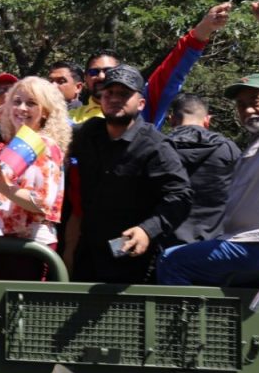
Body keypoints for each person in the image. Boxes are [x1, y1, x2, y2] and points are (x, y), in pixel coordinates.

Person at [157, 0, 259, 287]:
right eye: (241, 105)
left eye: (255, 101)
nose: (248, 110)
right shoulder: (251, 147)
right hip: (250, 246)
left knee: (172, 261)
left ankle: (184, 334)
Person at [64, 65, 192, 283]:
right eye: (109, 93)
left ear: (141, 103)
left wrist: (147, 230)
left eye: (123, 94)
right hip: (87, 258)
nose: (114, 98)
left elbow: (181, 197)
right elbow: (49, 134)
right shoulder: (90, 132)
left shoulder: (155, 146)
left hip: (133, 263)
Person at [0, 77, 70, 280]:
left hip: (27, 249)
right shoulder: (19, 143)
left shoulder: (44, 144)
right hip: (4, 245)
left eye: (31, 103)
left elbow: (42, 203)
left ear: (46, 112)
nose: (21, 108)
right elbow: (0, 176)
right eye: (16, 101)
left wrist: (6, 188)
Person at [69, 3, 231, 128]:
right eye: (94, 72)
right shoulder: (66, 119)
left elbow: (171, 72)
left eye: (109, 71)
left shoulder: (141, 107)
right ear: (84, 79)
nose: (102, 77)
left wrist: (204, 29)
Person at [162, 93, 240, 246]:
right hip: (214, 247)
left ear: (171, 119)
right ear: (207, 120)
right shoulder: (228, 149)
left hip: (164, 244)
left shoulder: (159, 148)